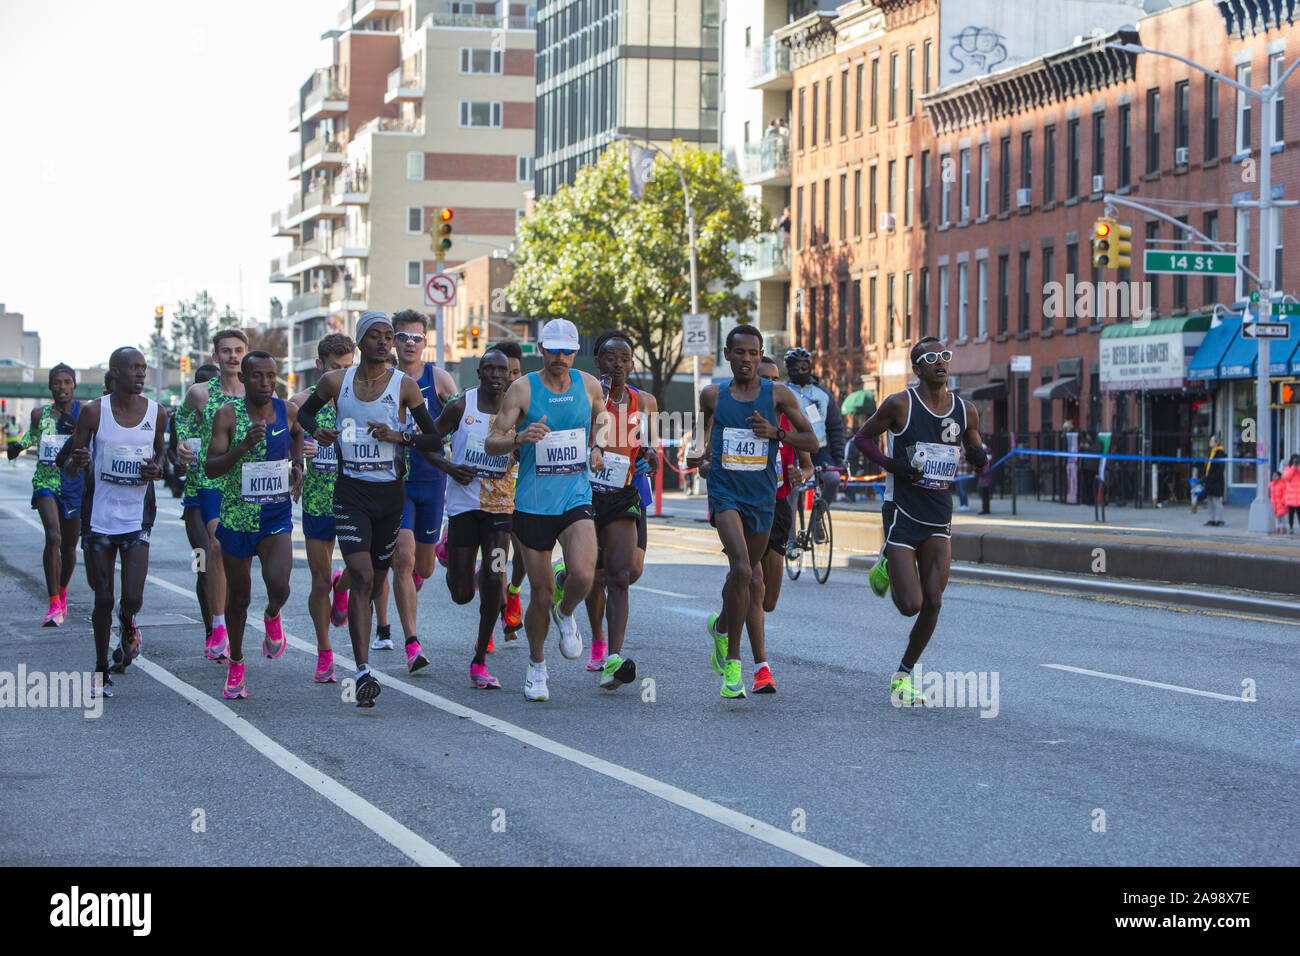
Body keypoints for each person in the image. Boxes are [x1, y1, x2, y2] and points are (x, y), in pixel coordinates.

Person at [296, 311, 448, 707]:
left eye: (388, 336)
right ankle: (363, 670)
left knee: (378, 579)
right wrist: (318, 432)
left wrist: (401, 436)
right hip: (351, 495)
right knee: (362, 575)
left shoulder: (405, 387)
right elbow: (305, 413)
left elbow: (432, 437)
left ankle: (361, 635)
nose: (384, 342)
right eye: (376, 336)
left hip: (389, 496)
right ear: (361, 342)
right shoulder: (336, 382)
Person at [853, 337, 988, 705]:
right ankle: (885, 561)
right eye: (931, 358)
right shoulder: (900, 404)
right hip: (902, 510)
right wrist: (893, 465)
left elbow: (977, 450)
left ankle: (903, 675)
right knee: (909, 604)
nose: (940, 362)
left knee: (934, 600)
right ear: (918, 368)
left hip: (938, 513)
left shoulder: (966, 410)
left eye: (945, 356)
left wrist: (979, 456)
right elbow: (861, 440)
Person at [482, 318, 610, 702]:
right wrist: (519, 438)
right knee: (539, 592)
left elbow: (602, 416)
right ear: (541, 349)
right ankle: (537, 666)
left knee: (584, 575)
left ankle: (566, 612)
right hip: (534, 504)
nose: (560, 357)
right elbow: (492, 441)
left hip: (576, 496)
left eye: (566, 350)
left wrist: (598, 447)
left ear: (575, 351)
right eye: (552, 349)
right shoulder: (522, 389)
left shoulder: (588, 385)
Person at [688, 325, 818, 699]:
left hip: (763, 497)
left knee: (749, 582)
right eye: (740, 352)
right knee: (743, 569)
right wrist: (701, 459)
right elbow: (700, 442)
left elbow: (811, 441)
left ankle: (722, 627)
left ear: (760, 356)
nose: (747, 359)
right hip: (726, 494)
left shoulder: (778, 395)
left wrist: (776, 434)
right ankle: (734, 665)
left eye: (754, 353)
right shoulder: (711, 396)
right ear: (727, 354)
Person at [56, 348, 168, 699]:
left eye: (143, 368)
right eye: (132, 368)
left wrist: (157, 470)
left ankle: (129, 621)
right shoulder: (93, 412)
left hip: (137, 517)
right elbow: (69, 467)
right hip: (100, 518)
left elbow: (161, 457)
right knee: (102, 597)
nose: (140, 374)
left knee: (131, 596)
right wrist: (79, 459)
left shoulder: (157, 413)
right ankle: (101, 669)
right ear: (114, 374)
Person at [204, 352, 304, 699]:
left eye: (271, 376)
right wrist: (244, 445)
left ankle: (273, 613)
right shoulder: (227, 415)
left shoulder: (287, 411)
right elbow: (211, 468)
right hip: (237, 517)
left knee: (279, 586)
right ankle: (236, 661)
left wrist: (298, 467)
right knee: (239, 597)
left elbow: (296, 438)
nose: (265, 383)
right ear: (243, 379)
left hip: (275, 516)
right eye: (257, 376)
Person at [422, 349, 516, 688]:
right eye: (488, 368)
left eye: (501, 370)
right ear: (479, 372)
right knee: (462, 593)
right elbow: (427, 444)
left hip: (500, 510)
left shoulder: (517, 407)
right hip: (463, 507)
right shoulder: (461, 406)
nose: (495, 375)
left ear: (509, 375)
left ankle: (479, 660)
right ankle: (452, 555)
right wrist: (449, 467)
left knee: (494, 584)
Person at [582, 330, 659, 688]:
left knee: (621, 575)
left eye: (625, 359)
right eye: (611, 358)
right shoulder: (582, 395)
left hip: (624, 492)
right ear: (598, 362)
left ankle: (612, 657)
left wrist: (650, 455)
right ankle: (594, 633)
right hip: (583, 494)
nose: (619, 365)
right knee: (588, 577)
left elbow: (651, 445)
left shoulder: (644, 402)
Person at [387, 310, 458, 656]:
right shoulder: (381, 379)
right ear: (393, 341)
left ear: (426, 342)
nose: (409, 344)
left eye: (416, 338)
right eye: (403, 337)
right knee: (403, 558)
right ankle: (412, 643)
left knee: (424, 567)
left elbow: (461, 422)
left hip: (432, 479)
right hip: (393, 481)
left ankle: (410, 582)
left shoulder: (440, 380)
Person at [289, 333, 356, 683]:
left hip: (354, 498)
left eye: (348, 368)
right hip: (317, 500)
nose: (341, 376)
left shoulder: (361, 399)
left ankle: (343, 587)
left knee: (366, 568)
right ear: (320, 366)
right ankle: (325, 652)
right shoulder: (300, 403)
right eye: (335, 368)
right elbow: (282, 445)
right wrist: (296, 459)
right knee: (318, 581)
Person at [181, 329, 249, 662]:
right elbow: (180, 418)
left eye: (238, 351)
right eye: (226, 351)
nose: (233, 357)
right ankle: (217, 625)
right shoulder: (199, 393)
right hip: (208, 484)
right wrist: (182, 444)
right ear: (215, 357)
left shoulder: (257, 392)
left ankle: (260, 609)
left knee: (246, 558)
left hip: (245, 485)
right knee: (211, 550)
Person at [7, 364, 84, 625]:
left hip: (74, 486)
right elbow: (32, 435)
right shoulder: (40, 414)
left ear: (74, 386)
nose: (62, 387)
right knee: (53, 536)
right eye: (57, 383)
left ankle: (62, 594)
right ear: (51, 387)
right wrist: (18, 445)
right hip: (46, 483)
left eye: (67, 382)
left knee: (69, 548)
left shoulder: (84, 413)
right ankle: (52, 603)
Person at [170, 363, 219, 644]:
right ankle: (211, 630)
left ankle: (225, 626)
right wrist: (179, 461)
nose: (207, 391)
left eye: (212, 385)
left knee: (226, 567)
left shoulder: (229, 417)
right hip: (195, 502)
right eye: (201, 385)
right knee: (203, 563)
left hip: (227, 501)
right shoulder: (185, 421)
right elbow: (173, 466)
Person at [486, 341, 526, 638]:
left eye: (515, 371)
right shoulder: (486, 402)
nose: (511, 377)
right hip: (492, 494)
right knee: (498, 557)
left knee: (523, 554)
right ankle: (499, 610)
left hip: (523, 488)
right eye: (505, 371)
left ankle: (513, 591)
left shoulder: (529, 400)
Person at [782, 347, 845, 510]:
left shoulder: (823, 394)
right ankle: (790, 535)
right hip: (792, 448)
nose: (800, 371)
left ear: (810, 368)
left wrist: (838, 459)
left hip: (819, 449)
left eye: (804, 367)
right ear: (788, 370)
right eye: (795, 368)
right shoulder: (782, 392)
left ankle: (819, 516)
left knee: (833, 479)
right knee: (793, 488)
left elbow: (835, 427)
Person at [1204, 435, 1226, 527]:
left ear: (1216, 443)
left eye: (1211, 441)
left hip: (1216, 481)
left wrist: (1212, 477)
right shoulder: (1211, 452)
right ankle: (1211, 519)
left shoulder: (1220, 453)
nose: (1210, 442)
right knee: (1210, 500)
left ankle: (1220, 520)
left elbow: (1220, 469)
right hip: (1209, 480)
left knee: (1216, 500)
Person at [1283, 454, 1300, 533]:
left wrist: (1298, 468)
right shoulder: (1288, 468)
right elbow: (1286, 477)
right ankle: (1291, 527)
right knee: (1291, 514)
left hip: (1299, 496)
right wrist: (1293, 468)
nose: (1296, 461)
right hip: (1291, 496)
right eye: (1294, 460)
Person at [977, 440, 994, 514]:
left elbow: (984, 468)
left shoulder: (985, 456)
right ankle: (986, 509)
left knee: (985, 495)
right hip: (985, 478)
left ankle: (986, 510)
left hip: (985, 479)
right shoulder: (986, 454)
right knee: (985, 495)